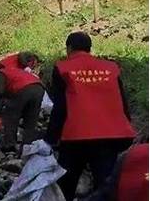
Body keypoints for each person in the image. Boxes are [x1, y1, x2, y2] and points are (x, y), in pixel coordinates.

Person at [45, 32, 136, 201]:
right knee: (105, 184)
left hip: (76, 135)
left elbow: (60, 106)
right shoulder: (111, 68)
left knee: (66, 184)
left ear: (69, 48)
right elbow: (122, 101)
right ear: (89, 48)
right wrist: (126, 127)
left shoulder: (63, 68)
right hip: (110, 135)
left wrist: (51, 138)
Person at [0, 51, 44, 153]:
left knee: (11, 116)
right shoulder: (17, 71)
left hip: (23, 88)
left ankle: (10, 145)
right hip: (39, 87)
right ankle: (26, 147)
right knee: (31, 119)